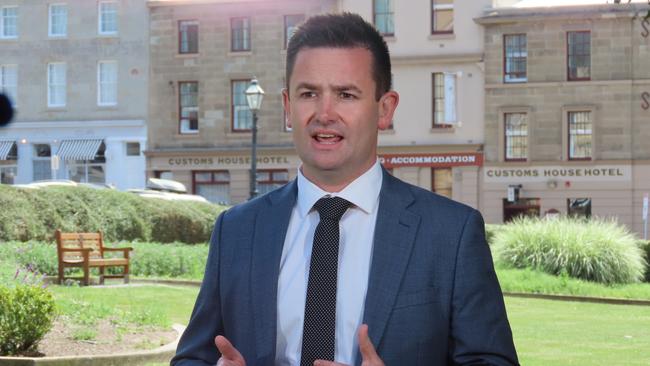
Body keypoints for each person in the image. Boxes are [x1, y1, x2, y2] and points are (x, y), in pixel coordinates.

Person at [171, 13, 518, 366]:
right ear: (289, 107)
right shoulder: (238, 230)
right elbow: (192, 358)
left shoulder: (451, 234)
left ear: (384, 109)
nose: (324, 113)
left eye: (346, 95)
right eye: (309, 93)